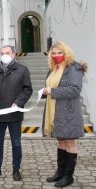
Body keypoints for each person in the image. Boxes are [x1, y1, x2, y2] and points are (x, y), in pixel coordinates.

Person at [0, 45, 33, 181]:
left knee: (16, 143)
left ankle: (16, 170)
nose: (5, 55)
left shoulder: (22, 70)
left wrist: (18, 102)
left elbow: (27, 89)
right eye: (2, 53)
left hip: (14, 114)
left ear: (13, 54)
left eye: (7, 53)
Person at [42, 42, 87, 187]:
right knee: (61, 141)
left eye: (59, 52)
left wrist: (52, 92)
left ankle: (69, 176)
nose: (56, 56)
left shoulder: (74, 67)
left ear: (66, 52)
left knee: (69, 142)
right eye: (53, 53)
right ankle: (60, 173)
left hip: (68, 112)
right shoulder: (53, 68)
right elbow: (50, 85)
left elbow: (75, 90)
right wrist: (44, 91)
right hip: (55, 111)